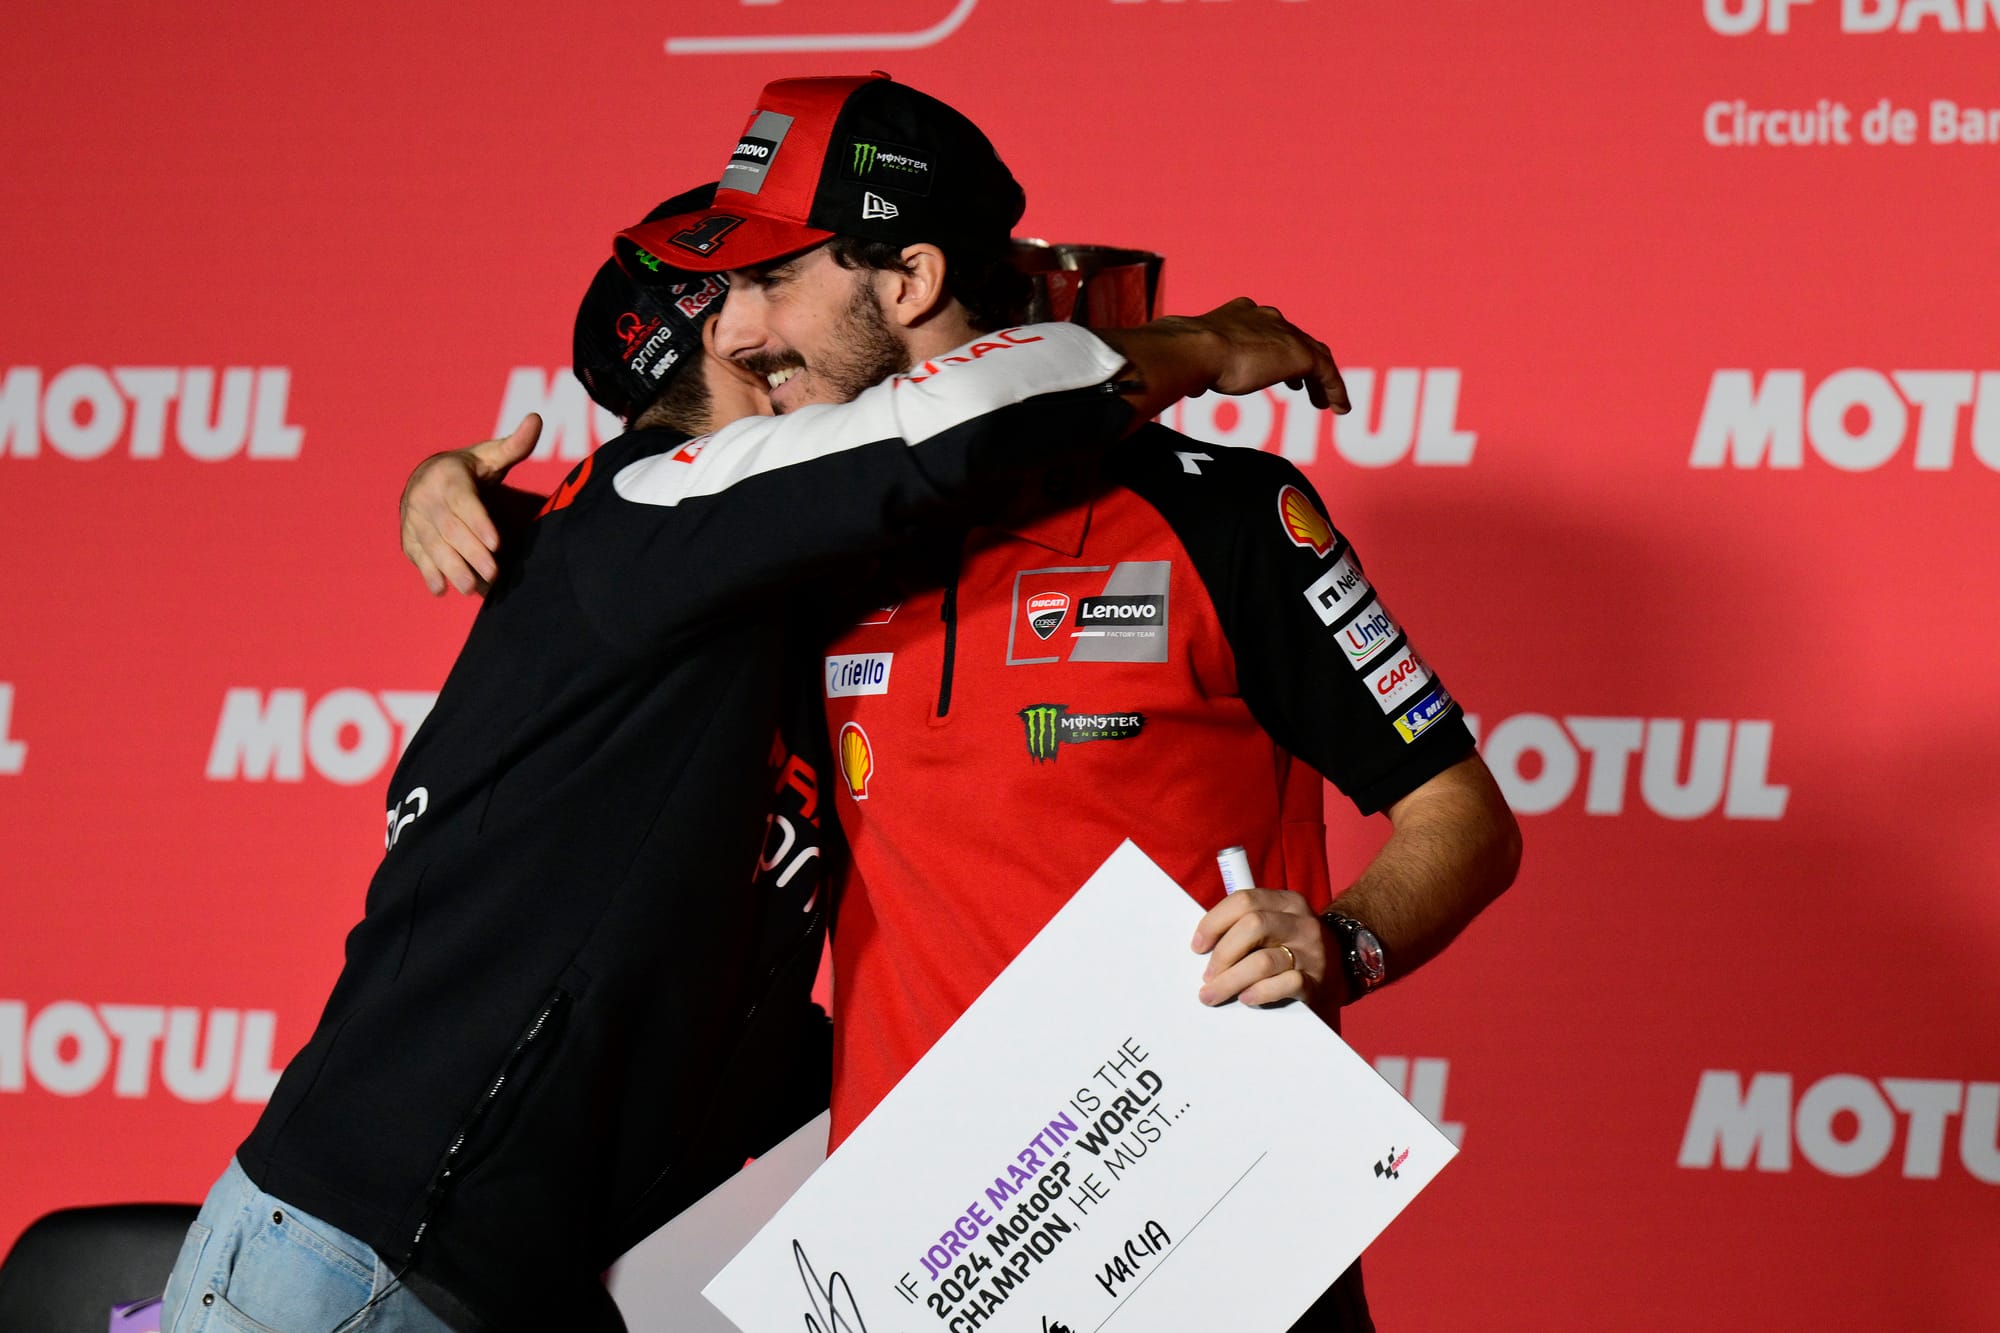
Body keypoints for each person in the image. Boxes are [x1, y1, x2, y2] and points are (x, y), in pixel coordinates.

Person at [408, 74, 1519, 1331]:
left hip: (1205, 1220)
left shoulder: (1223, 515)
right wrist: (451, 491)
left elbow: (1464, 816)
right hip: (917, 1254)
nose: (742, 329)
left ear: (908, 282)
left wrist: (1342, 942)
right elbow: (609, 575)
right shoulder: (800, 543)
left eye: (776, 282)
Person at [166, 167, 1348, 1332]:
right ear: (736, 350)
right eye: (765, 295)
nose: (802, 332)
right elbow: (958, 426)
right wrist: (1202, 344)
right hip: (364, 1262)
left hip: (506, 1268)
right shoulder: (649, 513)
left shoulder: (698, 576)